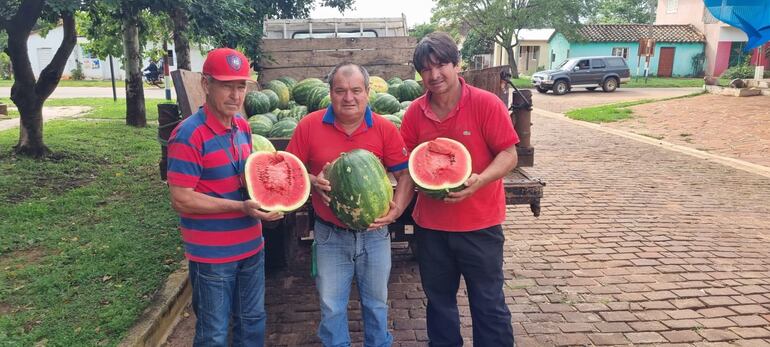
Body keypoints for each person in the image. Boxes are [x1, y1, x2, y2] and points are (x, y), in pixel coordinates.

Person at [399, 32, 519, 347]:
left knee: (488, 304)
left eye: (441, 66)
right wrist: (396, 208)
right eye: (426, 69)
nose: (434, 75)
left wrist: (480, 179)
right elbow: (410, 169)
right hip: (432, 229)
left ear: (457, 65)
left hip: (480, 226)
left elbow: (509, 154)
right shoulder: (413, 113)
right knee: (439, 306)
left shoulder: (485, 104)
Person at [286, 62, 413, 347]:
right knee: (331, 307)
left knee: (377, 305)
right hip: (330, 235)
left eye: (356, 90)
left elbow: (405, 175)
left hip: (375, 235)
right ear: (330, 93)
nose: (349, 98)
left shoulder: (383, 128)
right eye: (340, 91)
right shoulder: (309, 126)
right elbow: (289, 169)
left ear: (368, 92)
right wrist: (313, 180)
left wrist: (398, 208)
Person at [166, 47, 283, 347]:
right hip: (212, 259)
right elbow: (181, 198)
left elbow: (247, 178)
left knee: (253, 322)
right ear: (207, 85)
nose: (235, 95)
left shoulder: (242, 126)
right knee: (214, 334)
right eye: (226, 85)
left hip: (251, 250)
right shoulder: (188, 135)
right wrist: (241, 208)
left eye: (241, 86)